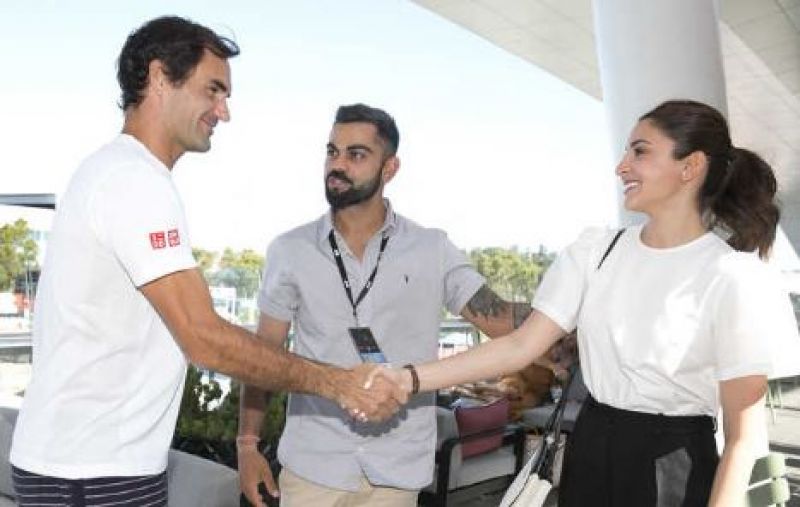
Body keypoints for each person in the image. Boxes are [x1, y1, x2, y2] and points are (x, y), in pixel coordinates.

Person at [9, 17, 403, 507]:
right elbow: (204, 337)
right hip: (92, 475)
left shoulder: (120, 174)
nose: (224, 111)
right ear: (158, 77)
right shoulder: (134, 182)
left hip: (92, 468)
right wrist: (337, 382)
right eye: (213, 90)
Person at [376, 99, 800, 506]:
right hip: (591, 446)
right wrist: (409, 378)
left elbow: (744, 436)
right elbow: (520, 346)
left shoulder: (734, 277)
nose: (622, 166)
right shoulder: (596, 250)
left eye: (640, 151)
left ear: (690, 166)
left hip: (675, 462)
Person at [237, 103, 534, 507]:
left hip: (397, 472)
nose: (337, 165)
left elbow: (500, 319)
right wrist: (247, 443)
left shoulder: (433, 249)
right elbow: (264, 356)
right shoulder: (290, 251)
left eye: (356, 154)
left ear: (390, 168)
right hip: (313, 468)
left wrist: (572, 305)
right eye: (332, 151)